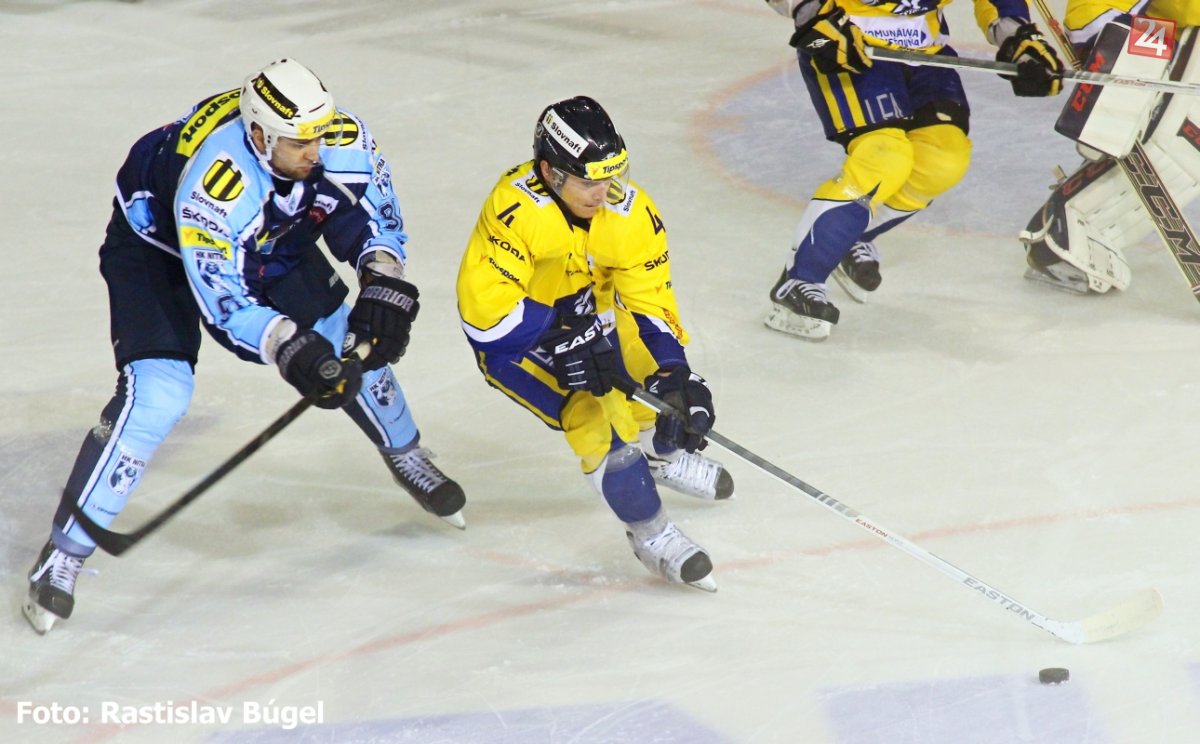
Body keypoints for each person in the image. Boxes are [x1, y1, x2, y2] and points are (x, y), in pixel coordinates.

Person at [23, 59, 466, 634]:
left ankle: (405, 451)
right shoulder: (215, 184)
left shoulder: (339, 139)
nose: (316, 152)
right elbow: (225, 304)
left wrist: (384, 279)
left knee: (346, 335)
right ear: (259, 136)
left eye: (318, 136)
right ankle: (62, 554)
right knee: (157, 395)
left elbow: (372, 216)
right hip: (157, 247)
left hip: (266, 235)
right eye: (299, 143)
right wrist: (288, 345)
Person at [456, 96, 734, 591]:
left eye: (610, 177)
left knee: (656, 378)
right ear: (550, 171)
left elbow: (649, 300)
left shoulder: (630, 211)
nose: (602, 192)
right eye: (588, 182)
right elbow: (486, 316)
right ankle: (652, 534)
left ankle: (659, 455)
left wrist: (675, 371)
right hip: (522, 339)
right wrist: (564, 337)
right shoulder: (515, 210)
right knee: (599, 422)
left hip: (594, 318)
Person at [763, 0, 1064, 340]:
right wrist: (811, 14)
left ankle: (846, 236)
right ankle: (799, 282)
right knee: (884, 158)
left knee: (943, 159)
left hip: (925, 49)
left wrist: (1019, 38)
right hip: (849, 40)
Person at [1020, 1, 1200, 294]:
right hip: (1119, 20)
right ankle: (1067, 227)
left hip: (1159, 26)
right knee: (1167, 133)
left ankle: (1082, 226)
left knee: (1182, 139)